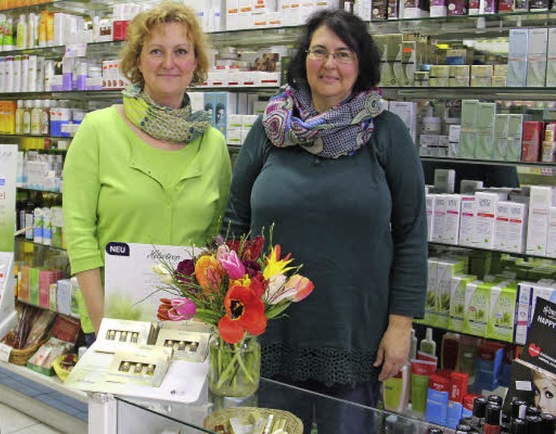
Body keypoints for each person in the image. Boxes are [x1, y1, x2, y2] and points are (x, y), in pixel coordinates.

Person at [223, 9, 427, 433]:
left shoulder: (386, 133)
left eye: (343, 53)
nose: (329, 64)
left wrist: (401, 326)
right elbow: (236, 220)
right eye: (319, 51)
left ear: (361, 64)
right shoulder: (270, 131)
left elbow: (411, 234)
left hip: (353, 335)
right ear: (304, 59)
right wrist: (229, 305)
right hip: (271, 329)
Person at [63, 2, 232, 345]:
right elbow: (79, 236)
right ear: (137, 61)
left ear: (195, 62)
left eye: (181, 51)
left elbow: (217, 241)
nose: (169, 63)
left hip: (190, 327)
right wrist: (104, 328)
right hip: (114, 320)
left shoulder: (213, 145)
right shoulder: (98, 130)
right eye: (156, 51)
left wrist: (209, 323)